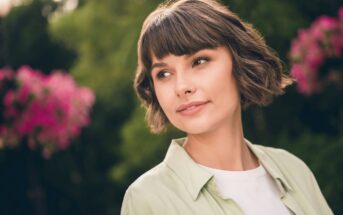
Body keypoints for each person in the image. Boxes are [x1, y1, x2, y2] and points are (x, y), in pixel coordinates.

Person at [121, 0, 333, 214]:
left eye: (199, 61)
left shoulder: (294, 170)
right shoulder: (148, 199)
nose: (182, 87)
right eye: (163, 74)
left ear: (238, 62)